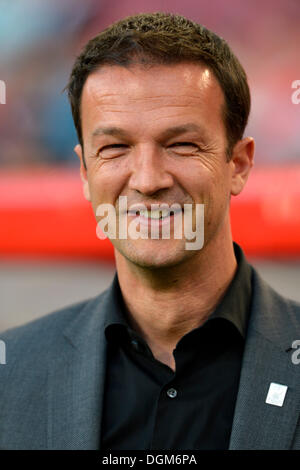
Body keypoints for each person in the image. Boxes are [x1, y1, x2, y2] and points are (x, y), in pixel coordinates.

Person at [0, 12, 299, 450]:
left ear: (238, 164)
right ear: (84, 171)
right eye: (115, 148)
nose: (147, 178)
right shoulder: (12, 373)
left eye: (181, 145)